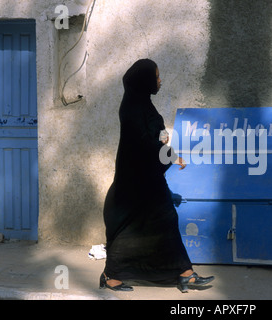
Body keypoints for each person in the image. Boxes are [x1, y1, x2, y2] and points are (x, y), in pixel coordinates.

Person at [100, 59, 214, 292]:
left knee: (162, 222)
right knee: (131, 226)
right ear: (144, 80)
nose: (160, 81)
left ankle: (184, 273)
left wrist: (163, 143)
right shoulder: (132, 107)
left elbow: (152, 136)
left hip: (147, 178)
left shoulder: (142, 104)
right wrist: (170, 154)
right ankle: (112, 275)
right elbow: (142, 143)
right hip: (135, 181)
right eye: (156, 77)